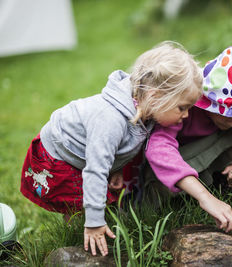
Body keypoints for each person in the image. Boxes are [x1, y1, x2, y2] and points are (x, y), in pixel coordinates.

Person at [20, 41, 203, 256]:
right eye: (182, 108)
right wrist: (94, 221)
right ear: (155, 96)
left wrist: (116, 168)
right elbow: (96, 168)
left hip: (86, 153)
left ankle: (91, 225)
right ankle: (79, 236)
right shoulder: (111, 120)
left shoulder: (145, 109)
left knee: (94, 196)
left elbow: (119, 147)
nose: (186, 115)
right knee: (76, 203)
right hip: (60, 156)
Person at [145, 45, 232, 232]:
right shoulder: (185, 104)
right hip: (175, 174)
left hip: (216, 171)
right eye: (225, 114)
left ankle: (225, 189)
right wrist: (205, 197)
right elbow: (159, 147)